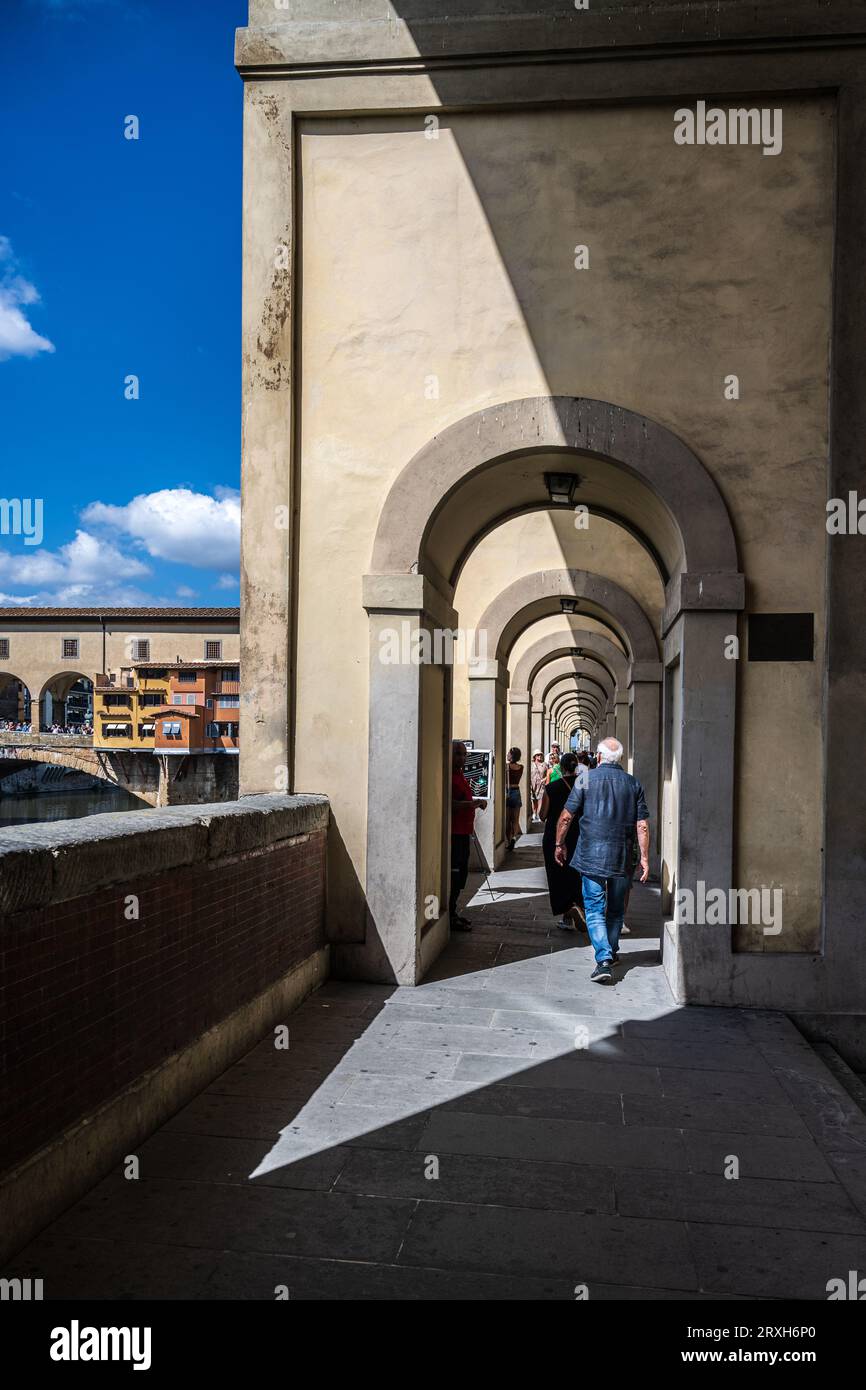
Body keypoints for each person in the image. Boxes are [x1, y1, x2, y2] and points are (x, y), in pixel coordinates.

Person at [554, 736, 650, 984]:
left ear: (598, 756)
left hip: (591, 854)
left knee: (595, 909)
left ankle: (604, 959)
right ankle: (612, 951)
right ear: (619, 758)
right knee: (616, 908)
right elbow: (642, 826)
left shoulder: (586, 778)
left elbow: (566, 816)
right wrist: (645, 858)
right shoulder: (632, 783)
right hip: (622, 855)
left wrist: (559, 843)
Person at [540, 752, 586, 932]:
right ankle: (576, 910)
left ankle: (568, 909)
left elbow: (543, 815)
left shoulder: (552, 788)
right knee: (575, 874)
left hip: (554, 836)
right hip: (578, 835)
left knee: (557, 875)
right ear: (576, 768)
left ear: (562, 768)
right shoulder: (585, 787)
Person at [450, 740, 488, 932]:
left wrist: (475, 802)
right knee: (454, 875)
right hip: (454, 834)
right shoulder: (448, 776)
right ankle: (449, 915)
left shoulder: (461, 775)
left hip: (464, 832)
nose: (462, 757)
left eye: (464, 754)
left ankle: (453, 912)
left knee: (461, 875)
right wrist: (474, 804)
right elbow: (451, 804)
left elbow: (463, 800)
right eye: (458, 753)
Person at [505, 746, 523, 852]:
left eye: (508, 753)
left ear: (512, 756)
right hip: (517, 791)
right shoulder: (521, 767)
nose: (507, 755)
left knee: (507, 820)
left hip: (508, 792)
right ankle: (513, 838)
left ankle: (508, 841)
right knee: (515, 820)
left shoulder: (506, 766)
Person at [529, 749, 546, 822]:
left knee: (540, 800)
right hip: (532, 785)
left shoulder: (544, 764)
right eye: (538, 755)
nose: (539, 756)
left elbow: (548, 774)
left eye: (540, 755)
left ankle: (539, 814)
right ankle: (534, 813)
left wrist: (543, 780)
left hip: (541, 785)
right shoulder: (531, 764)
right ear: (535, 756)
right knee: (533, 800)